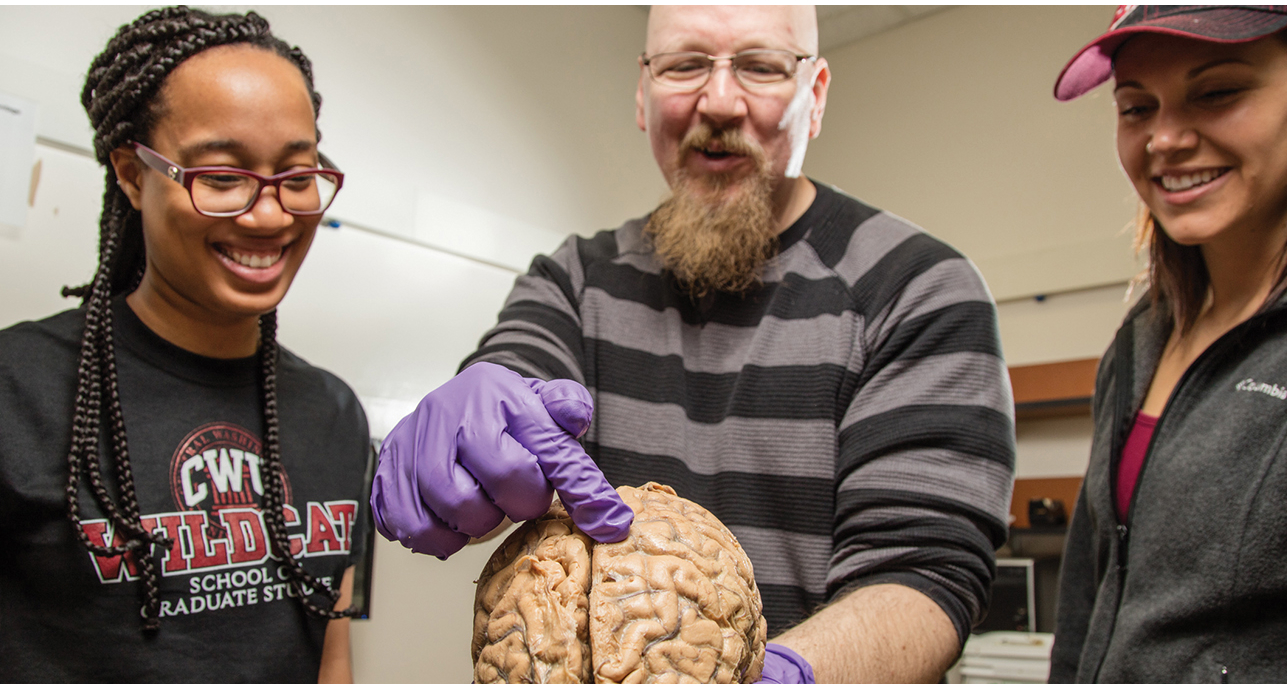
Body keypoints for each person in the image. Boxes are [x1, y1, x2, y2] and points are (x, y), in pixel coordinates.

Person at [372, 6, 1016, 683]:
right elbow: (514, 373)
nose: (719, 101)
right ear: (643, 95)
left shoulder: (916, 285)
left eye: (761, 65)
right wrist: (468, 441)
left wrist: (779, 675)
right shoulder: (573, 280)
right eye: (684, 65)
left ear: (815, 97)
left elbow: (925, 573)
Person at [0, 7, 369, 683]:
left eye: (296, 177)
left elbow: (330, 661)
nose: (268, 214)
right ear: (131, 173)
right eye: (221, 177)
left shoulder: (332, 412)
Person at [1049, 5, 1287, 682]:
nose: (1165, 138)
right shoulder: (1141, 339)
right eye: (1136, 107)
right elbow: (1084, 609)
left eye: (1217, 93)